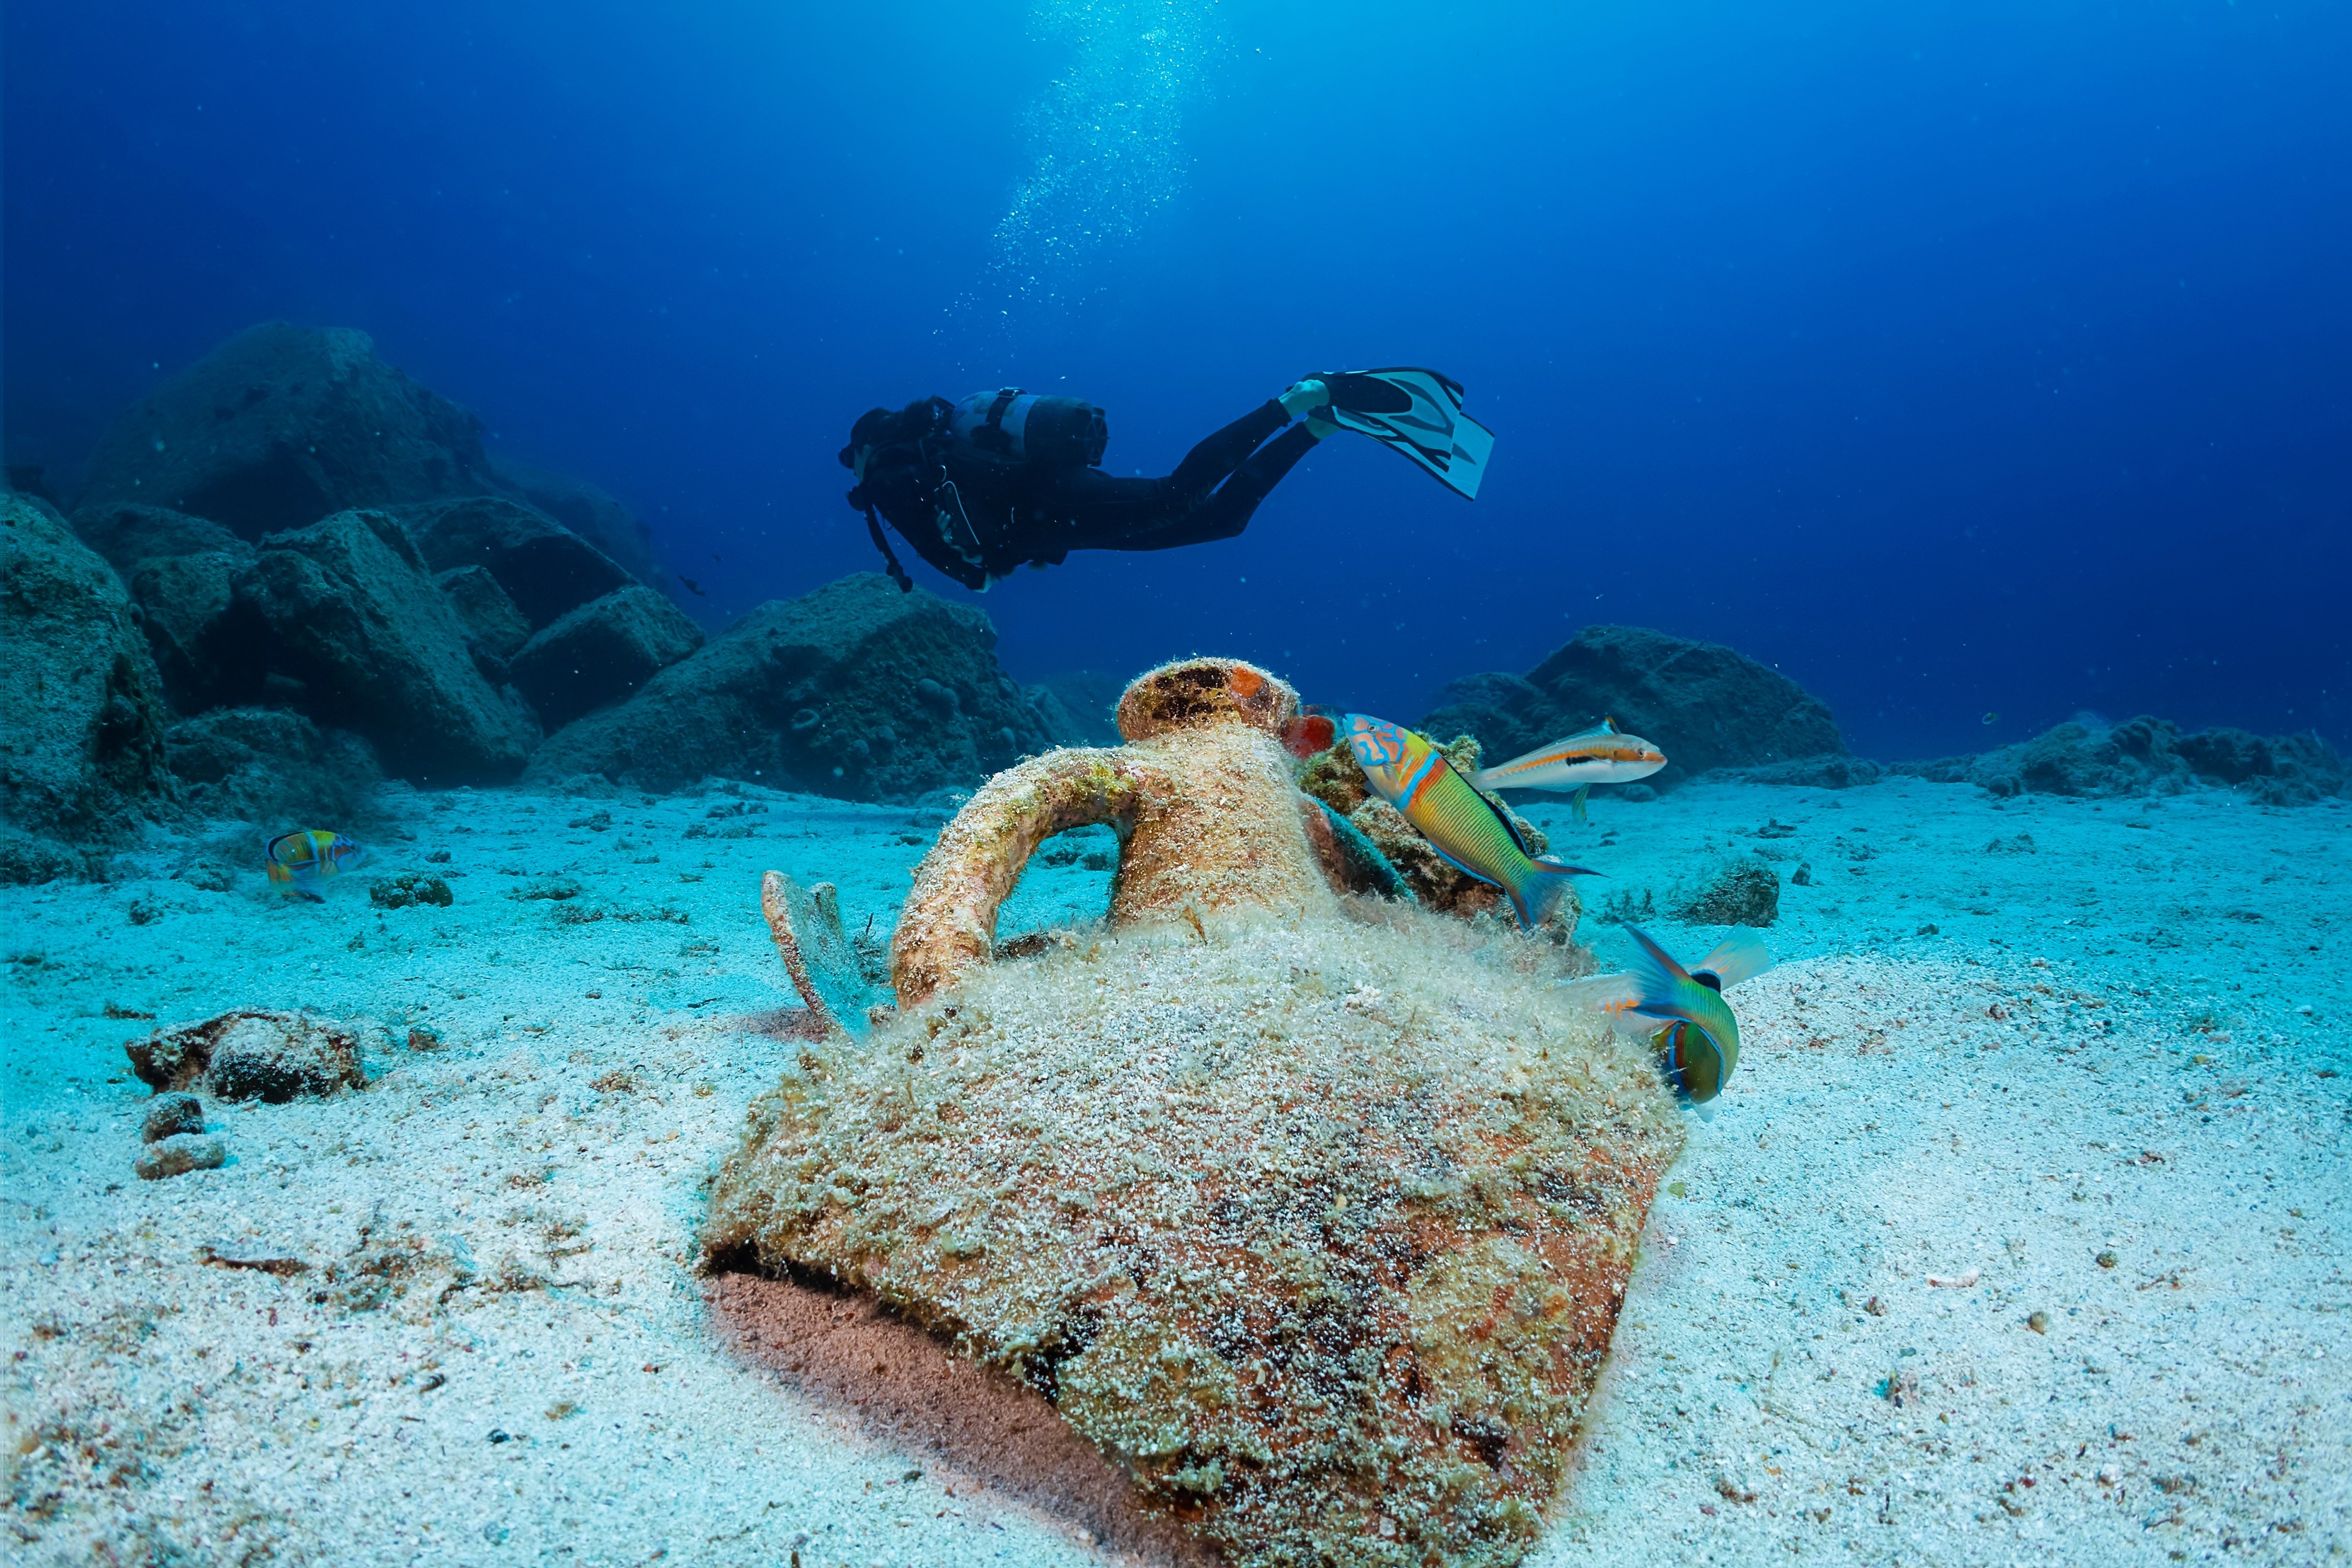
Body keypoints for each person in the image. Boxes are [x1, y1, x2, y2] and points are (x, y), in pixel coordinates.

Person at [839, 369, 1494, 592]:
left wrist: (990, 561)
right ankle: (1321, 425)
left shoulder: (892, 477)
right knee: (1218, 520)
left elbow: (965, 562)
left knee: (1176, 495)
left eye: (853, 459)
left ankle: (1297, 399)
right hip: (1042, 515)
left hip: (1039, 509)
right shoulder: (919, 456)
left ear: (866, 447)